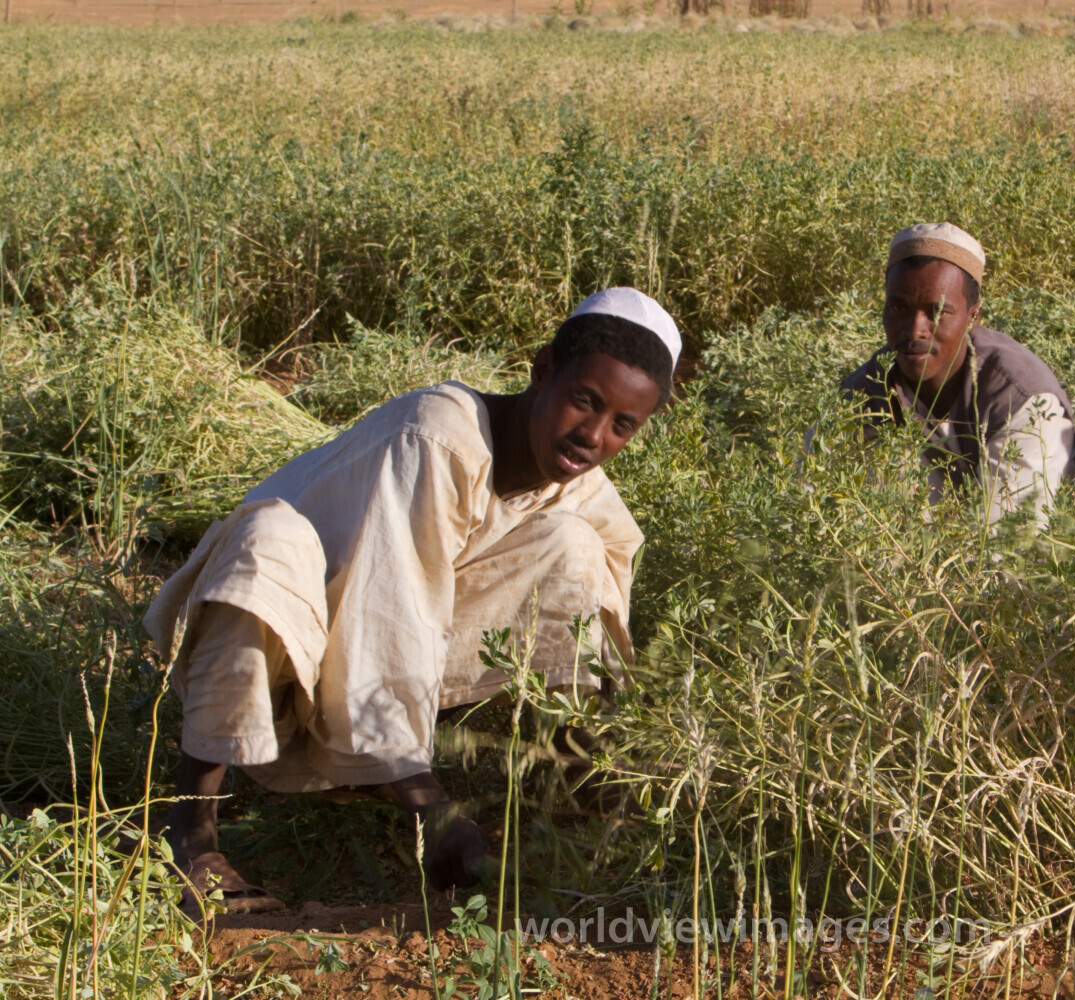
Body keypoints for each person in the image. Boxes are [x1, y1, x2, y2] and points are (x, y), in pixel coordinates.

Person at [144, 288, 681, 912]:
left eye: (622, 424)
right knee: (270, 540)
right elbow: (382, 613)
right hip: (271, 652)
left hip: (366, 662)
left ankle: (565, 799)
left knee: (577, 550)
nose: (592, 435)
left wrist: (627, 786)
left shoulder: (580, 487)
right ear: (542, 372)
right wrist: (431, 807)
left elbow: (606, 625)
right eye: (583, 401)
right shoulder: (437, 437)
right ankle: (190, 832)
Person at [839, 223, 1075, 530]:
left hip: (1067, 528)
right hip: (941, 551)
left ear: (973, 315)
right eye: (898, 307)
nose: (915, 329)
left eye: (937, 312)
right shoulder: (864, 394)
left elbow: (1010, 544)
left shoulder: (1017, 391)